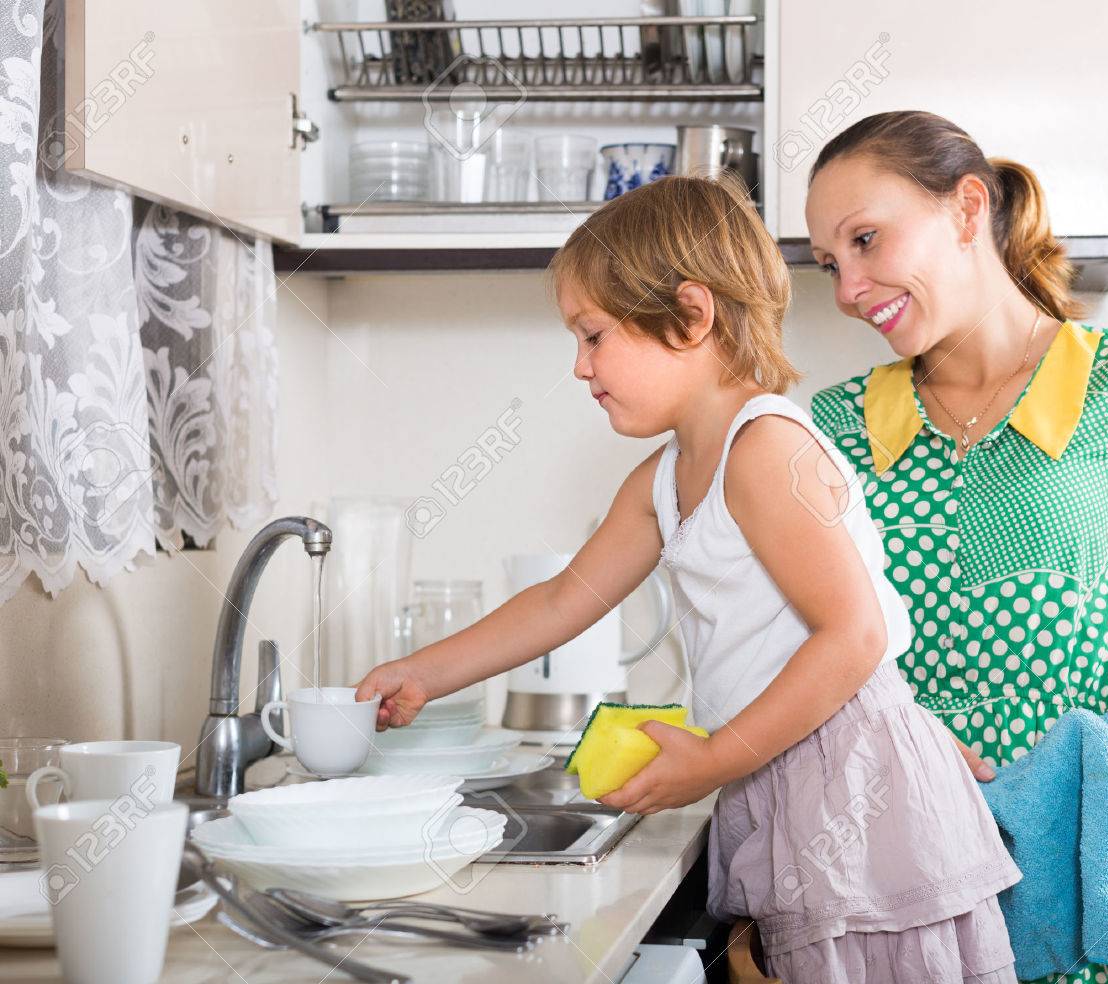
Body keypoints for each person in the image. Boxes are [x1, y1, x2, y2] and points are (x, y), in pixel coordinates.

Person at [357, 174, 1022, 982]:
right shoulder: (664, 479)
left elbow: (855, 636)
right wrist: (424, 671)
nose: (579, 365)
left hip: (852, 776)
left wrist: (712, 760)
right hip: (778, 761)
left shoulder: (766, 449)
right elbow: (567, 599)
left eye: (594, 335)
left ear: (692, 315)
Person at [804, 110, 1108, 983]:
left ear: (965, 207)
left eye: (866, 240)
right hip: (901, 858)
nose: (846, 288)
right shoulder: (833, 429)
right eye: (832, 262)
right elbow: (803, 655)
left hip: (1086, 842)